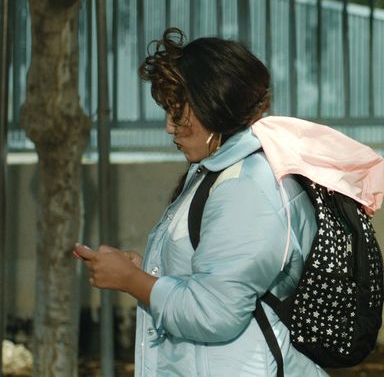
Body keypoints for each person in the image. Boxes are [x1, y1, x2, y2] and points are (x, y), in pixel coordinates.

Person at [74, 28, 329, 376]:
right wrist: (145, 269)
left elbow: (214, 312)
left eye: (178, 113)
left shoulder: (246, 187)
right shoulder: (220, 171)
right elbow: (215, 272)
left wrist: (131, 281)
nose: (169, 127)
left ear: (214, 109)